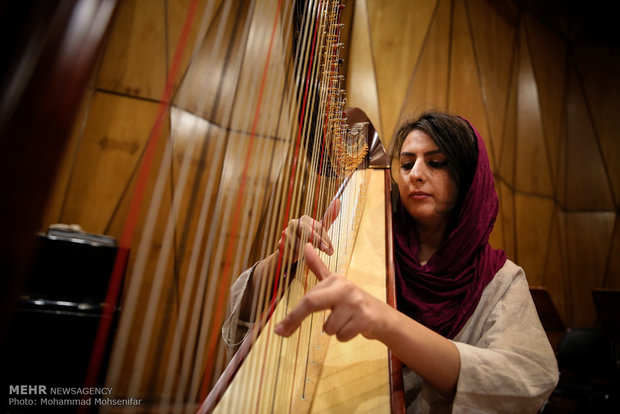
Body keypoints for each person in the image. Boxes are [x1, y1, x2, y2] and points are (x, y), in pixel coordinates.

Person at [223, 111, 559, 412]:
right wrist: (283, 260)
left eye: (436, 162)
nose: (416, 173)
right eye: (407, 162)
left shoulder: (500, 280)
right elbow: (246, 316)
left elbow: (529, 381)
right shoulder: (359, 238)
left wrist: (386, 322)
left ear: (469, 180)